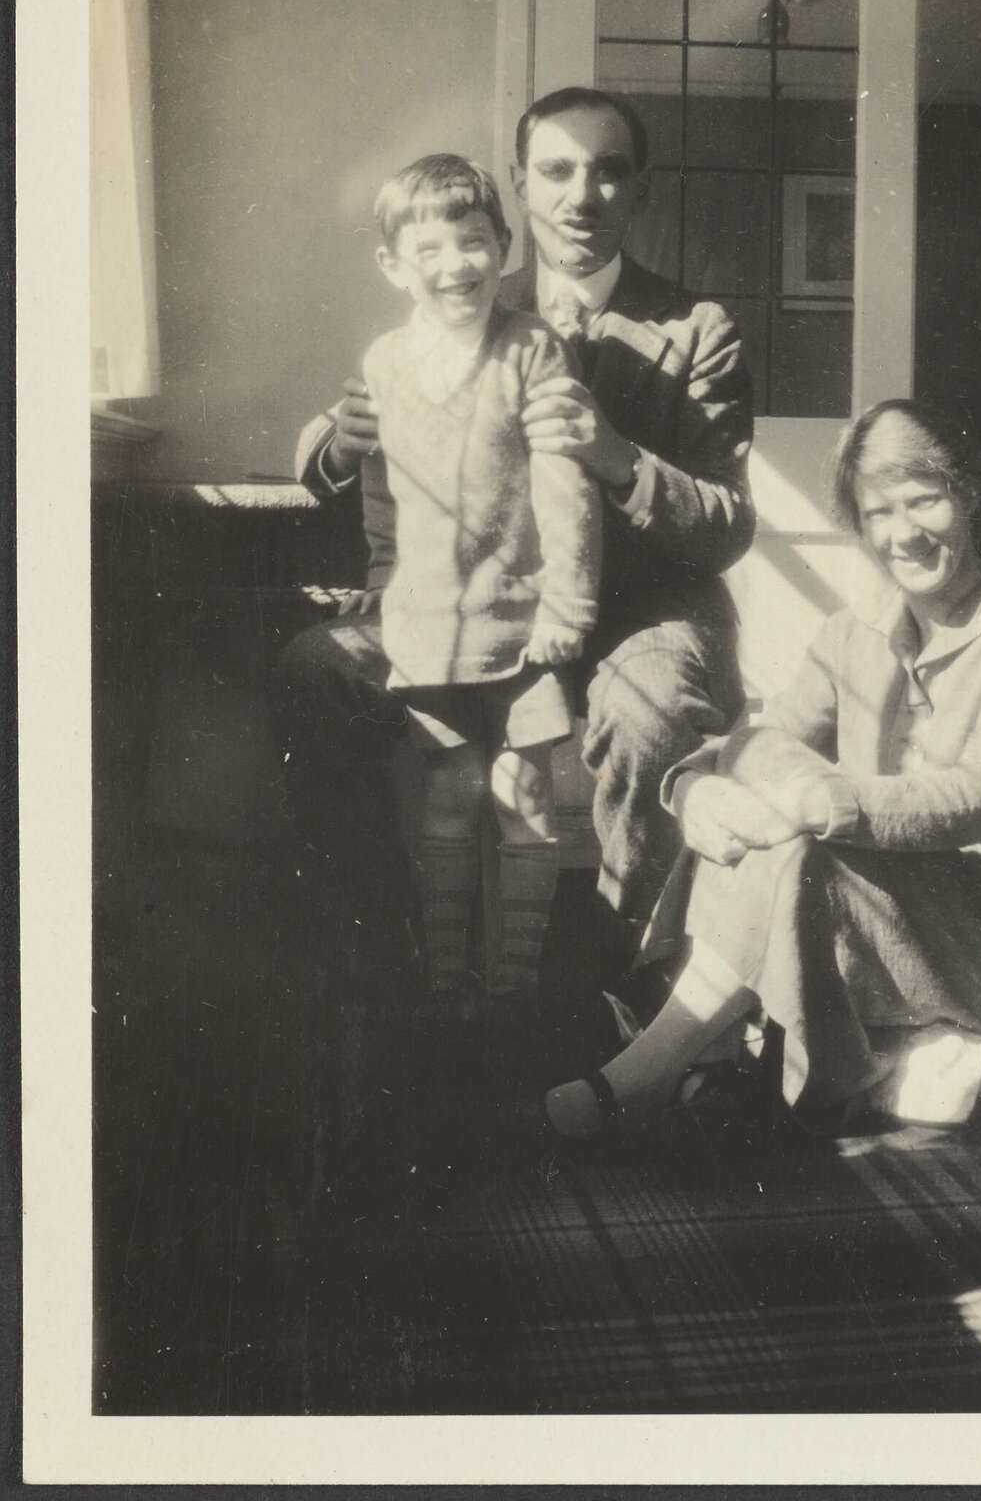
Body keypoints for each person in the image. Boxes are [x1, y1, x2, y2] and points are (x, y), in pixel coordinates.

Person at [277, 87, 754, 1003]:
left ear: (639, 192)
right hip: (471, 598)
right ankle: (384, 954)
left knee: (653, 706)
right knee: (316, 671)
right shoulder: (457, 285)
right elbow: (335, 443)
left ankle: (631, 983)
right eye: (557, 170)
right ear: (519, 186)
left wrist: (615, 456)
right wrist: (339, 439)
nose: (583, 195)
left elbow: (727, 524)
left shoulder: (697, 331)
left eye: (609, 171)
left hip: (632, 610)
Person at [538, 399, 981, 1144]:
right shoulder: (857, 628)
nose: (902, 533)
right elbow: (765, 736)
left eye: (924, 500)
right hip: (891, 901)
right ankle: (686, 1060)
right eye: (878, 513)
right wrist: (696, 785)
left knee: (796, 843)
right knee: (753, 807)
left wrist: (818, 801)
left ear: (968, 495)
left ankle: (652, 1071)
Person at [355, 153, 599, 1006]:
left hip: (523, 620)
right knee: (451, 793)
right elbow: (378, 485)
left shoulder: (531, 346)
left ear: (502, 245)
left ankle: (514, 990)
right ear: (394, 267)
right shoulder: (385, 362)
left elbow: (564, 482)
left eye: (471, 242)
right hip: (428, 624)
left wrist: (567, 603)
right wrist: (383, 581)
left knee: (524, 793)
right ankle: (448, 984)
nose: (454, 264)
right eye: (429, 249)